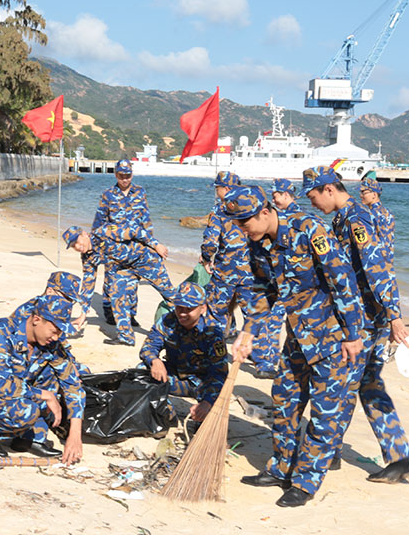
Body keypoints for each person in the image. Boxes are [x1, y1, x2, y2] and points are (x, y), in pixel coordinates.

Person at [224, 185, 366, 508]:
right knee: (284, 401)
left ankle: (305, 482)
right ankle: (281, 468)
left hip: (332, 338)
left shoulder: (308, 229)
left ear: (264, 212)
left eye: (245, 223)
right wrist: (248, 331)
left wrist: (353, 333)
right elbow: (264, 291)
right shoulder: (259, 243)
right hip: (298, 338)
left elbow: (342, 278)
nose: (242, 230)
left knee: (324, 413)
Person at [304, 167, 409, 483]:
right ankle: (395, 457)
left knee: (342, 382)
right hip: (361, 316)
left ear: (329, 189)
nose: (312, 204)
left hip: (365, 319)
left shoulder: (357, 219)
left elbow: (377, 268)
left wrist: (394, 316)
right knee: (364, 383)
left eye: (313, 197)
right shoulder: (344, 218)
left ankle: (331, 451)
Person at [0, 295, 84, 464]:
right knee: (27, 411)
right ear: (36, 320)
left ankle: (30, 438)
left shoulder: (50, 344)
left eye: (60, 333)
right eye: (54, 331)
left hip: (13, 394)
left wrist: (75, 434)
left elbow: (72, 384)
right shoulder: (0, 333)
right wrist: (45, 395)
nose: (56, 338)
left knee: (53, 375)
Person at [201, 171, 282, 379]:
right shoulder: (255, 205)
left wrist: (207, 258)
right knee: (254, 315)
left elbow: (211, 241)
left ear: (226, 188)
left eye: (218, 188)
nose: (217, 193)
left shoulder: (220, 211)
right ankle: (264, 363)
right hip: (252, 273)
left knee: (216, 315)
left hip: (225, 272)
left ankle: (214, 358)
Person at [62, 222, 176, 346]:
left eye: (77, 241)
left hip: (147, 261)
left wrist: (156, 244)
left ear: (84, 234)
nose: (77, 246)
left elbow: (134, 230)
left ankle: (183, 329)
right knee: (116, 293)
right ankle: (126, 337)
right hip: (125, 269)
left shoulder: (105, 231)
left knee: (170, 295)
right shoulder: (88, 257)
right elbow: (88, 283)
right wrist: (83, 314)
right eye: (73, 246)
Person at [140, 281, 229, 423]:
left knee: (218, 395)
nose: (182, 313)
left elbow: (219, 372)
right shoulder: (167, 321)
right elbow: (148, 347)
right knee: (142, 371)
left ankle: (203, 416)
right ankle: (166, 413)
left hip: (201, 383)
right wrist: (155, 361)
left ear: (203, 308)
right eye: (179, 307)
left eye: (189, 309)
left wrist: (207, 402)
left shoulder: (212, 332)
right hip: (174, 377)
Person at [91, 158, 163, 328]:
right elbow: (100, 221)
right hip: (113, 246)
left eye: (128, 176)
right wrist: (97, 243)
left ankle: (130, 313)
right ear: (116, 175)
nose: (125, 179)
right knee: (111, 278)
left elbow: (146, 219)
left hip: (135, 245)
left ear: (132, 174)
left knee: (132, 280)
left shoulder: (140, 192)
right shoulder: (108, 194)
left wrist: (151, 243)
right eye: (121, 176)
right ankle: (109, 311)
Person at [360, 177, 395, 263]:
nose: (361, 195)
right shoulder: (388, 212)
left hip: (376, 262)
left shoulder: (369, 214)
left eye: (364, 192)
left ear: (374, 195)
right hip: (388, 259)